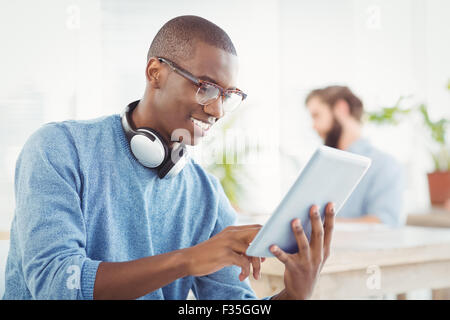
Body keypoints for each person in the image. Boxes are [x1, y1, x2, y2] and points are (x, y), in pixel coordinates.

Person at [3, 16, 335, 300]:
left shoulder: (206, 195)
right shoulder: (59, 148)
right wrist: (187, 261)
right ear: (155, 73)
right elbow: (57, 283)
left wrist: (293, 294)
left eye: (227, 96)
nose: (217, 110)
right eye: (205, 87)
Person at [305, 85, 405, 227]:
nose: (313, 126)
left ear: (341, 109)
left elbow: (385, 224)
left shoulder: (384, 165)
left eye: (316, 115)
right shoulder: (322, 167)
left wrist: (320, 227)